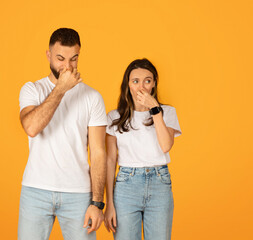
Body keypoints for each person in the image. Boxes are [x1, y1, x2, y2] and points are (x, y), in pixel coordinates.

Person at [18, 28, 107, 240]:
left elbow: (98, 152)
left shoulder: (92, 97)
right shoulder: (32, 89)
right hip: (35, 190)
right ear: (48, 55)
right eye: (60, 58)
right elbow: (31, 127)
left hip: (78, 194)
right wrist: (60, 89)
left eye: (73, 59)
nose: (67, 66)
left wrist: (97, 203)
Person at [104, 58, 181, 240]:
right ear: (128, 85)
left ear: (154, 84)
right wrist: (109, 204)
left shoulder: (166, 112)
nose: (142, 87)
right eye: (135, 81)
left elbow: (165, 146)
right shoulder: (115, 117)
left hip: (159, 184)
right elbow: (109, 161)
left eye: (147, 80)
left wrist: (154, 109)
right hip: (126, 186)